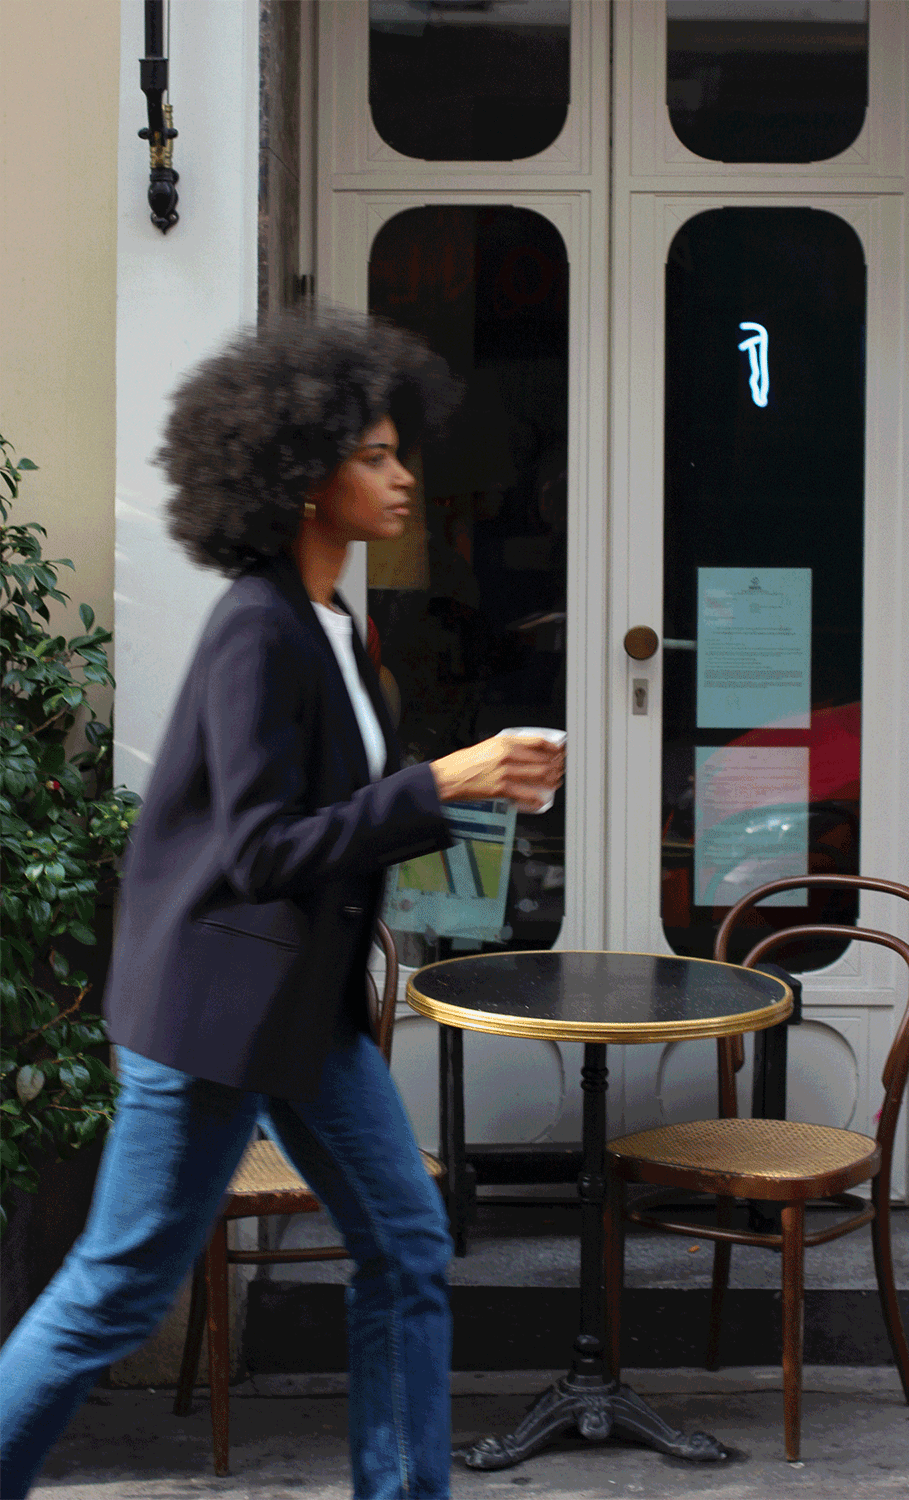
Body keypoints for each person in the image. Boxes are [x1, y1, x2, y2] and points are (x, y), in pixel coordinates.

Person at [0, 310, 564, 1500]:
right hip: (213, 1015)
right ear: (304, 475)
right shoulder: (256, 630)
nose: (403, 476)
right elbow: (260, 851)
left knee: (404, 1245)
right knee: (117, 1292)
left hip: (301, 1011)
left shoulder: (337, 630)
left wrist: (449, 791)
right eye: (374, 455)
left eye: (400, 452)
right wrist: (441, 783)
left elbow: (339, 822)